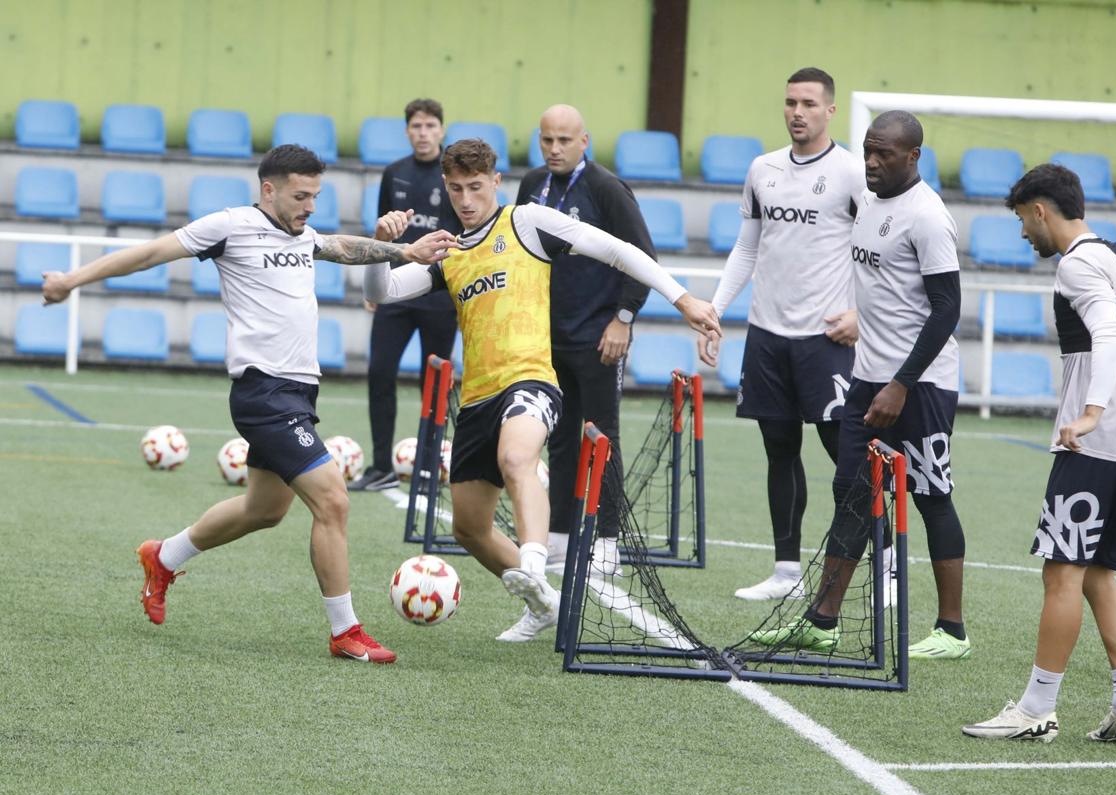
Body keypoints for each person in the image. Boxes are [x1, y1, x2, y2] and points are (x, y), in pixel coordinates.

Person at [41, 144, 458, 664]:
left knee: (264, 509)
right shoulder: (229, 226)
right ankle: (345, 631)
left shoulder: (303, 235)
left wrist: (403, 252)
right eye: (300, 195)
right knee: (333, 501)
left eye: (316, 196)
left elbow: (340, 246)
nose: (309, 205)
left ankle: (163, 556)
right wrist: (70, 281)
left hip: (300, 391)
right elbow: (147, 254)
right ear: (269, 188)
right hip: (263, 392)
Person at [364, 139, 720, 642]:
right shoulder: (449, 254)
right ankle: (543, 603)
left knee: (517, 459)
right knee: (468, 527)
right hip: (477, 398)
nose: (466, 199)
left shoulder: (528, 222)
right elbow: (381, 293)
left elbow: (616, 250)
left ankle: (533, 560)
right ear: (446, 187)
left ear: (495, 183)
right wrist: (384, 247)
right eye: (457, 189)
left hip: (531, 379)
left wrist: (682, 298)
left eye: (475, 187)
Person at [964, 164, 1116, 742]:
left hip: (1095, 448)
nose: (1024, 235)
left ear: (1040, 210)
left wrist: (1092, 410)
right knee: (1099, 577)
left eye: (1023, 222)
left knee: (1061, 575)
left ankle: (1036, 710)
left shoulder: (1078, 264)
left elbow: (1107, 334)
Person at [751, 111, 970, 660]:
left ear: (913, 157)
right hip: (865, 379)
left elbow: (946, 310)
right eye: (868, 152)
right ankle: (823, 620)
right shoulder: (869, 205)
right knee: (850, 493)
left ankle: (951, 630)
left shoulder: (928, 217)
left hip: (920, 386)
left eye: (884, 154)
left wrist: (901, 382)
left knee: (931, 497)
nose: (871, 162)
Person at [699, 67, 865, 601]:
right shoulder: (762, 169)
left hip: (827, 339)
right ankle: (785, 572)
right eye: (791, 102)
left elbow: (877, 254)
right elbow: (747, 248)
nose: (798, 112)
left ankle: (883, 561)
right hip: (767, 336)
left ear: (830, 111)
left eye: (809, 104)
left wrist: (861, 314)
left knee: (846, 452)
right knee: (779, 448)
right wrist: (715, 309)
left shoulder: (852, 174)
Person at [515, 104, 653, 575]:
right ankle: (558, 537)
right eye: (547, 140)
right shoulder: (532, 185)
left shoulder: (606, 189)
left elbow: (642, 256)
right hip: (545, 337)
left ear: (584, 141)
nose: (555, 149)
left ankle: (609, 543)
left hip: (598, 337)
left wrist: (624, 318)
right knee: (558, 437)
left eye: (564, 141)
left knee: (602, 438)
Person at [350, 98, 463, 492]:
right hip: (396, 292)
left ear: (442, 130)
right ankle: (381, 467)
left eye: (431, 125)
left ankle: (430, 469)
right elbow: (381, 231)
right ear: (407, 131)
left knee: (434, 383)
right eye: (416, 126)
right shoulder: (394, 173)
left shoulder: (453, 176)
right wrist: (374, 280)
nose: (424, 133)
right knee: (379, 372)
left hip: (438, 295)